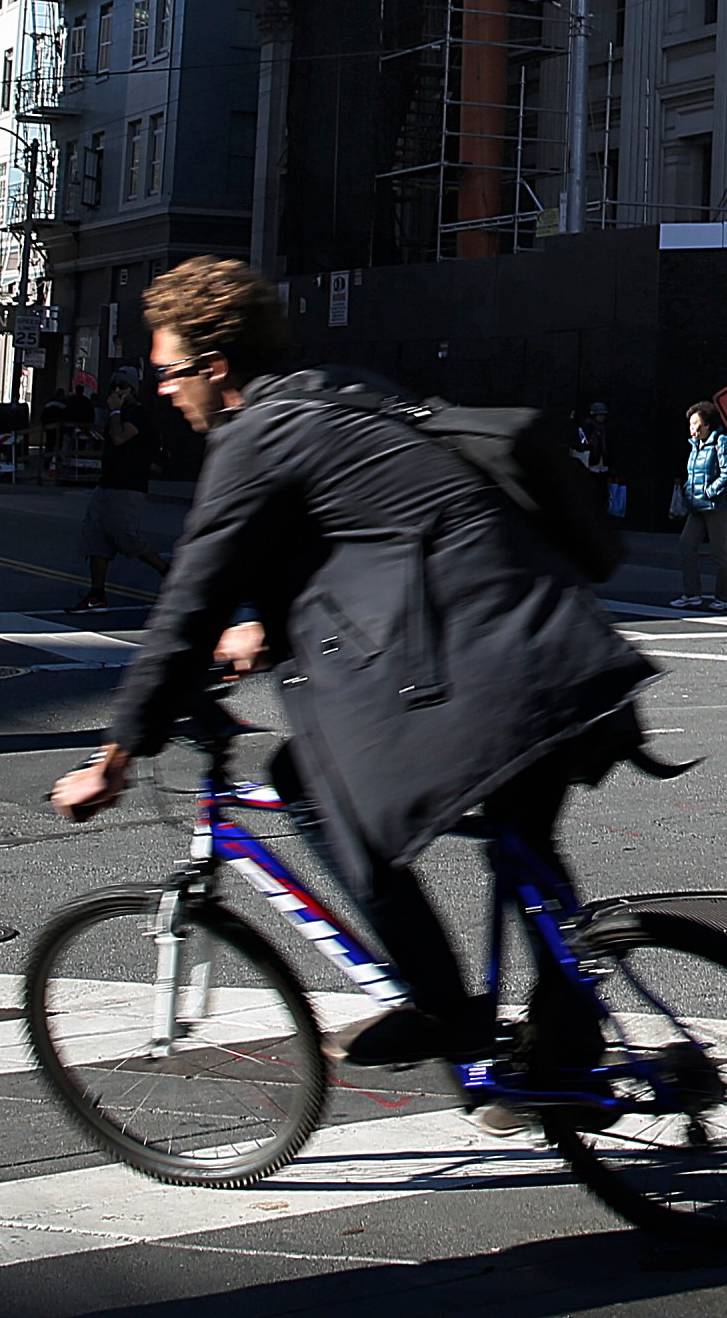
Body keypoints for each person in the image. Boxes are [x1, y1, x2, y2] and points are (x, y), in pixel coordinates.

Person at [53, 259, 654, 1075]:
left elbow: (189, 602)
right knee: (519, 833)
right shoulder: (335, 391)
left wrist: (116, 756)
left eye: (168, 372)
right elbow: (368, 535)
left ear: (215, 365)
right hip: (558, 642)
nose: (160, 389)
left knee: (315, 788)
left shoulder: (256, 437)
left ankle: (443, 1008)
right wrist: (265, 626)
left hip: (493, 664)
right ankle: (566, 1047)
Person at [74, 427, 172, 616]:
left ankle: (171, 574)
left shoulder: (137, 415)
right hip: (106, 484)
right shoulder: (116, 415)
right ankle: (97, 595)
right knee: (96, 537)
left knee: (127, 537)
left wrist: (117, 411)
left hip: (128, 486)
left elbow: (119, 438)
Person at [674, 401, 727, 608]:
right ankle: (691, 593)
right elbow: (693, 474)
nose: (692, 428)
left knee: (719, 552)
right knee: (686, 544)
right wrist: (689, 493)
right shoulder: (695, 445)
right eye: (690, 424)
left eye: (695, 423)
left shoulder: (722, 442)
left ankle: (723, 598)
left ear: (707, 424)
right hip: (697, 506)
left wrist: (710, 491)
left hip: (718, 507)